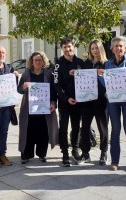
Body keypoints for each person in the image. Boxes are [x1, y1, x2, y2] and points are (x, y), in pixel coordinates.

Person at [18, 51, 58, 164]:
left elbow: (53, 91)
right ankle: (26, 155)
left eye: (40, 60)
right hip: (28, 110)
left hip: (44, 109)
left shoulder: (48, 74)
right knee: (28, 132)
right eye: (35, 60)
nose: (37, 62)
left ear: (43, 61)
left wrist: (53, 103)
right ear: (31, 61)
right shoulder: (26, 74)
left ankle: (42, 154)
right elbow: (19, 90)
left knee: (43, 132)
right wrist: (23, 87)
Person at [54, 38, 84, 167]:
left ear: (74, 46)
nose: (67, 49)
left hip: (79, 101)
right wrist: (66, 98)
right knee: (64, 127)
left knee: (76, 127)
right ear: (62, 49)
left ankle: (75, 150)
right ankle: (65, 153)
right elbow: (56, 85)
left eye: (69, 46)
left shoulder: (81, 62)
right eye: (65, 47)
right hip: (65, 102)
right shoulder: (57, 65)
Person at [79, 40, 108, 165]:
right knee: (85, 127)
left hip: (102, 100)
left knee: (103, 128)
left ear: (100, 49)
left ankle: (103, 153)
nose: (95, 50)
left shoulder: (107, 64)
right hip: (87, 100)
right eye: (92, 48)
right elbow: (81, 77)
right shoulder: (86, 63)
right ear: (90, 50)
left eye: (97, 48)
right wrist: (76, 74)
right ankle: (85, 153)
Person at [104, 36, 126, 171]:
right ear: (112, 49)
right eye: (116, 46)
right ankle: (115, 160)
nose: (118, 48)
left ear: (125, 48)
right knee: (115, 129)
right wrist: (101, 76)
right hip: (113, 101)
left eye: (121, 46)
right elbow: (105, 83)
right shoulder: (108, 64)